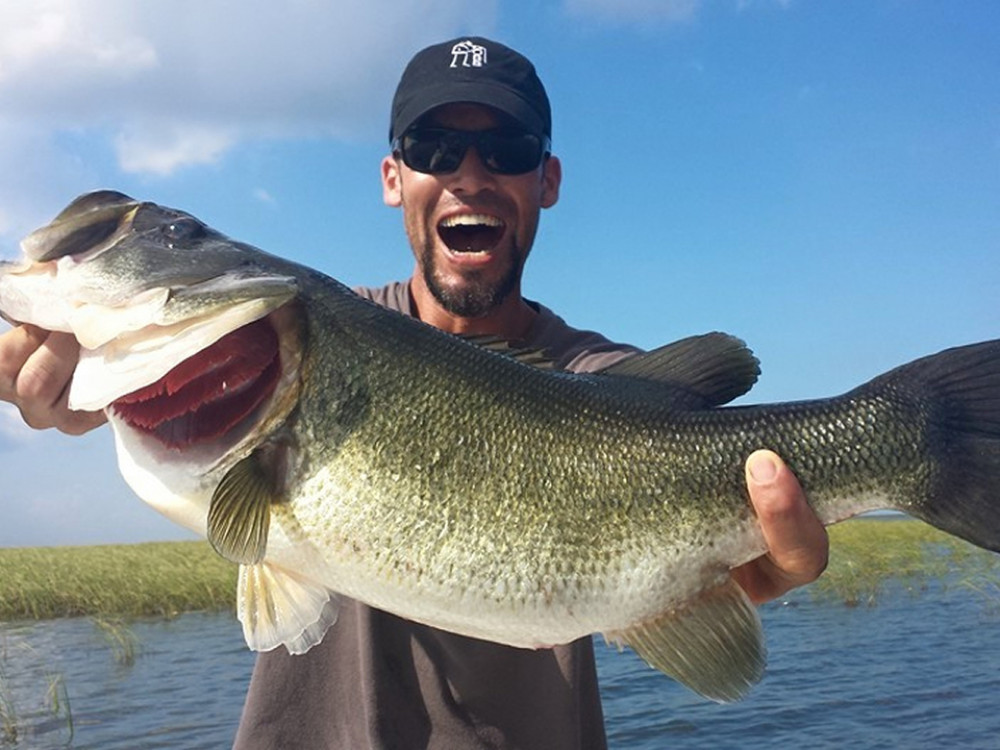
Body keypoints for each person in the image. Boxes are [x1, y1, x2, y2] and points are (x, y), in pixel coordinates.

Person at [0, 36, 829, 750]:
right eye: (435, 148)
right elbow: (118, 377)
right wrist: (74, 376)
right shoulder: (328, 324)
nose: (470, 174)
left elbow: (707, 467)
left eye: (507, 149)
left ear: (548, 179)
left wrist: (733, 565)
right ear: (394, 177)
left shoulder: (604, 384)